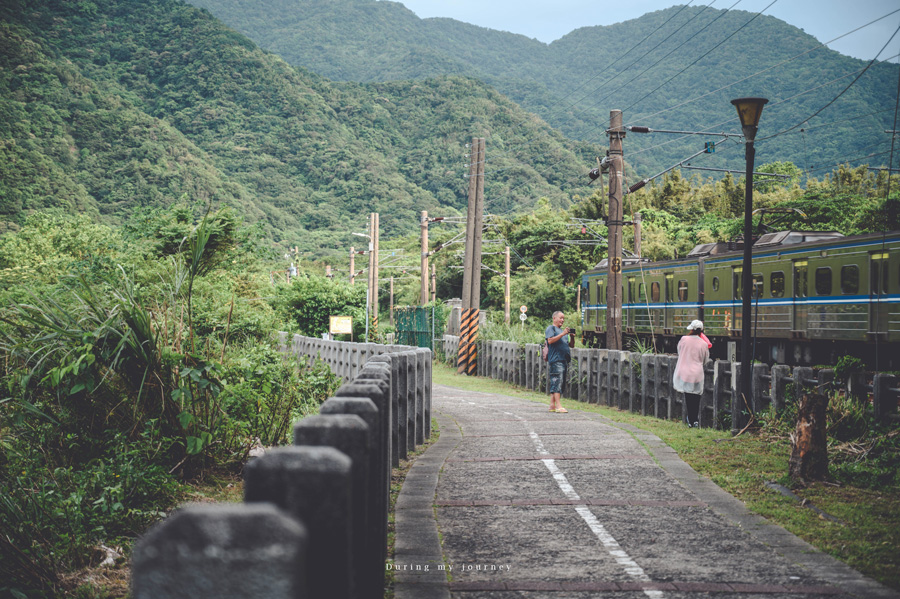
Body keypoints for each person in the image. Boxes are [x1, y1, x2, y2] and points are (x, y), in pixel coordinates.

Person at [674, 319, 709, 428]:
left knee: (688, 396)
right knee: (696, 396)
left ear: (691, 329)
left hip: (685, 372)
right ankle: (695, 419)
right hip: (697, 373)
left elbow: (680, 352)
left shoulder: (684, 339)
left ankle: (691, 419)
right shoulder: (704, 344)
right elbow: (705, 359)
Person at [545, 311, 575, 413]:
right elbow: (550, 341)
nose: (562, 320)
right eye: (560, 318)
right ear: (554, 318)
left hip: (563, 360)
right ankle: (558, 406)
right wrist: (563, 334)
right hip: (556, 359)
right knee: (557, 382)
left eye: (563, 318)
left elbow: (571, 345)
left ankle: (552, 405)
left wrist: (572, 337)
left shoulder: (563, 332)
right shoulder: (551, 328)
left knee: (558, 382)